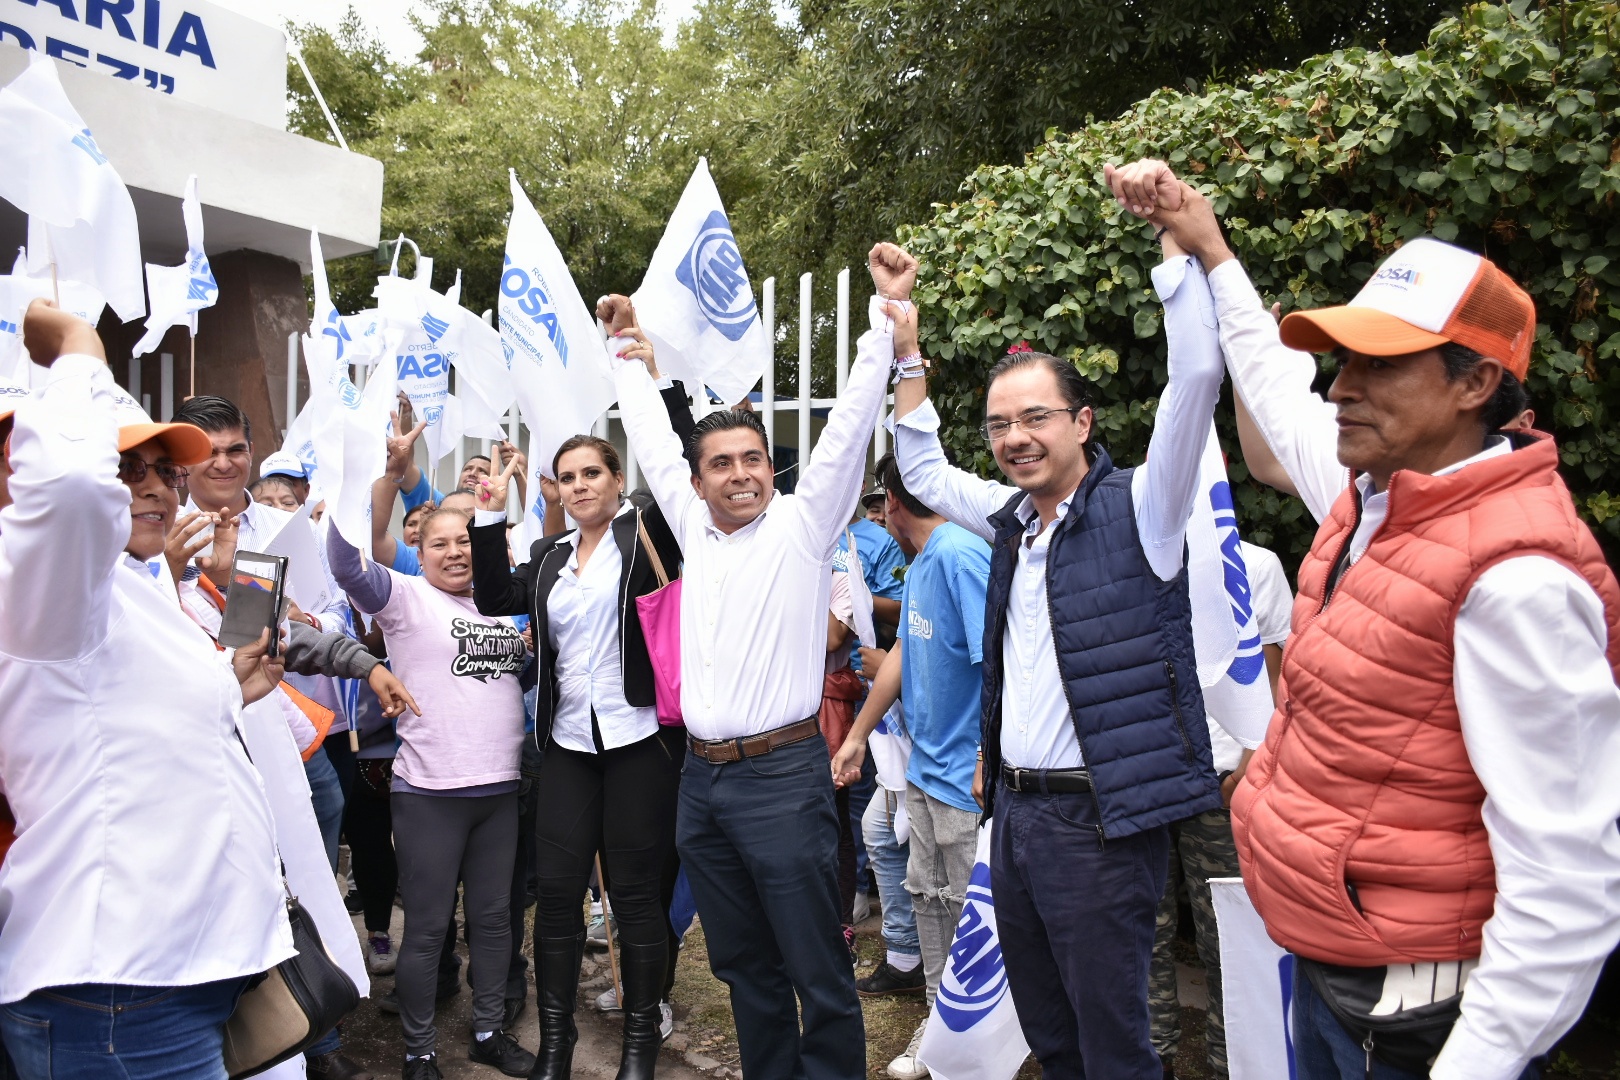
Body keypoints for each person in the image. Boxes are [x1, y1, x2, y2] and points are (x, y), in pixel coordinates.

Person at [1109, 158, 1620, 1080]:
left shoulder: (1519, 577)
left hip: (1421, 1025)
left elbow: (1570, 882)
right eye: (1345, 359)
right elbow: (1271, 383)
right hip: (1341, 985)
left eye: (1380, 364)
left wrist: (1479, 1062)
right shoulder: (1373, 497)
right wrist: (1206, 240)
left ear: (1473, 384)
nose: (1341, 388)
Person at [891, 183, 1252, 1076]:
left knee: (1115, 1045)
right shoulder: (1011, 520)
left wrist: (1178, 251)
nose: (1015, 437)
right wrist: (907, 349)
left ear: (1083, 423)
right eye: (1001, 424)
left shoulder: (1147, 508)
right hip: (1011, 818)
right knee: (1050, 1037)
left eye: (1036, 417)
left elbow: (1197, 380)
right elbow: (925, 467)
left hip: (1100, 825)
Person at [602, 242, 901, 1080]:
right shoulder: (693, 525)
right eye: (722, 464)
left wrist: (882, 320)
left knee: (816, 969)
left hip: (784, 777)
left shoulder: (805, 527)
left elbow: (846, 429)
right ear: (697, 483)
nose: (740, 475)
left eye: (753, 460)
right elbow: (653, 440)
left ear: (773, 468)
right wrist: (626, 350)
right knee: (743, 968)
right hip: (702, 785)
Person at [0, 300, 293, 1080]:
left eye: (166, 469)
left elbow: (124, 728)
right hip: (115, 994)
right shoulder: (40, 579)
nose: (157, 486)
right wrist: (78, 346)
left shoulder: (127, 582)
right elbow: (67, 491)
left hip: (170, 984)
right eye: (125, 466)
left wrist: (230, 688)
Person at [469, 365, 692, 1079]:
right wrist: (486, 512)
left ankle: (638, 1051)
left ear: (617, 478)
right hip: (566, 743)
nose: (579, 485)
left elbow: (684, 461)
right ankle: (557, 1048)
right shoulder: (548, 557)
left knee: (634, 900)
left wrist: (660, 388)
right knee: (557, 901)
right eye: (567, 477)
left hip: (638, 744)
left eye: (592, 472)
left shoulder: (652, 534)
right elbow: (494, 591)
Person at [328, 509, 535, 1080]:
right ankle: (419, 1053)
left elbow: (519, 675)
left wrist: (531, 650)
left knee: (495, 923)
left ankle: (489, 1032)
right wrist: (364, 490)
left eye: (464, 542)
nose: (453, 552)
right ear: (419, 554)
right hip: (431, 793)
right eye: (437, 543)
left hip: (498, 788)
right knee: (426, 929)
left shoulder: (500, 602)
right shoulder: (407, 598)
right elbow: (347, 565)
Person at [832, 450, 990, 1079]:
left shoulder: (959, 554)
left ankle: (973, 1038)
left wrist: (984, 754)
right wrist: (857, 736)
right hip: (923, 769)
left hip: (962, 781)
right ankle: (940, 1024)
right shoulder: (926, 561)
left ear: (892, 503)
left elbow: (998, 659)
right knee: (928, 900)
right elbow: (901, 652)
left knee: (964, 910)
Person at [1148, 540, 1293, 1080]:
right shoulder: (1139, 553)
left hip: (1224, 783)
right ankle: (1151, 1054)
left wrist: (1254, 763)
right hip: (1149, 780)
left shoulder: (1255, 564)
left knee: (1227, 936)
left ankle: (1232, 1063)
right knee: (1146, 929)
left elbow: (1275, 672)